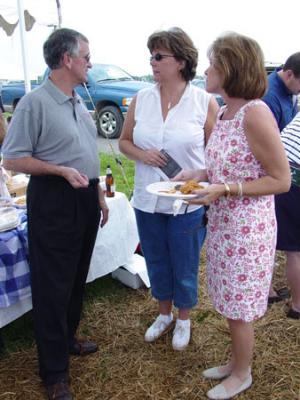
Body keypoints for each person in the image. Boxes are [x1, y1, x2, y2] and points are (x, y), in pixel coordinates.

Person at [175, 32, 290, 399]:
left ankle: (243, 374)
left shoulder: (256, 114)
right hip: (225, 224)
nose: (206, 70)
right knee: (227, 297)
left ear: (231, 67)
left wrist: (225, 189)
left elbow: (281, 179)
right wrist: (200, 175)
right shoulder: (224, 110)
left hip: (248, 229)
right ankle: (235, 361)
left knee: (240, 306)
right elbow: (231, 166)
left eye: (212, 63)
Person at [2, 28, 109, 400]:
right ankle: (54, 372)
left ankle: (66, 340)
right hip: (54, 199)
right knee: (53, 286)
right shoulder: (35, 103)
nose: (90, 63)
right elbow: (13, 157)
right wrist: (59, 170)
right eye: (86, 56)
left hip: (83, 197)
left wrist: (98, 193)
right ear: (67, 59)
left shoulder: (77, 100)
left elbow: (84, 153)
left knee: (77, 275)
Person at [119, 27, 219, 351]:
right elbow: (123, 142)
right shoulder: (141, 98)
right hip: (147, 198)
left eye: (159, 56)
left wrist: (200, 176)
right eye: (151, 55)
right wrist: (141, 153)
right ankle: (164, 314)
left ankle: (184, 318)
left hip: (188, 201)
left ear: (180, 61)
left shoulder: (204, 103)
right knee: (156, 260)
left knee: (185, 264)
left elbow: (217, 156)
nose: (152, 62)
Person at [262, 53, 300, 304]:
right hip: (286, 175)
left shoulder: (289, 94)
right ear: (289, 75)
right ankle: (297, 304)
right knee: (292, 247)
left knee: (282, 240)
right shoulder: (268, 96)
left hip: (287, 171)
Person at [276, 112, 300, 318]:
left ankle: (267, 293)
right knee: (296, 251)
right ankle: (298, 306)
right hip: (292, 181)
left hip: (278, 171)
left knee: (271, 242)